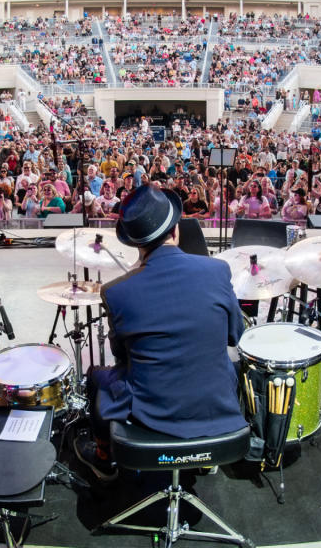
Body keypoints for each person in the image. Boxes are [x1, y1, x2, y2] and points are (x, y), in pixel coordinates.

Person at [73, 185, 247, 482]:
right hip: (215, 403)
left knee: (95, 375)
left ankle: (105, 461)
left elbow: (123, 358)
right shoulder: (217, 270)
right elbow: (234, 336)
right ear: (176, 230)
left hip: (154, 411)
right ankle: (205, 461)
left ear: (136, 244)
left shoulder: (116, 292)